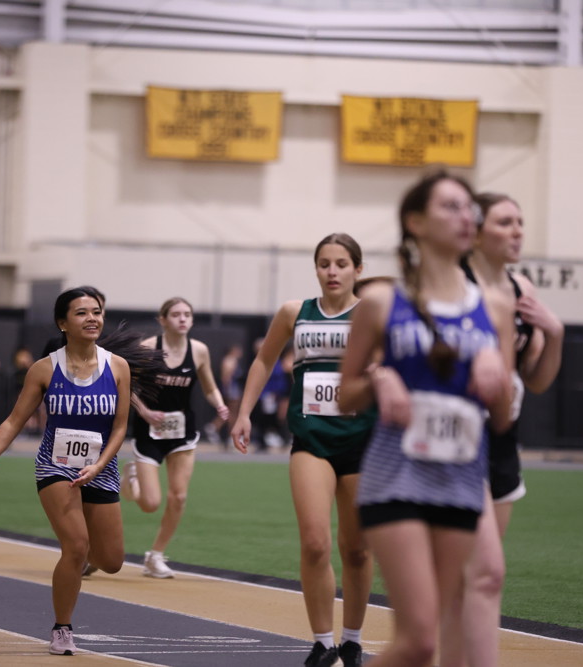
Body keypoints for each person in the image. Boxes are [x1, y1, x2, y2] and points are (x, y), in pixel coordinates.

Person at [337, 170, 515, 667]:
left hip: (460, 480)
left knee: (445, 626)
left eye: (468, 208)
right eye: (450, 207)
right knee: (417, 640)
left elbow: (502, 418)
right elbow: (346, 396)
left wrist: (496, 373)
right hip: (396, 477)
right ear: (415, 222)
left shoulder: (497, 309)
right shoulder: (381, 302)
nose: (465, 217)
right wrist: (379, 380)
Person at [0, 286, 132, 657]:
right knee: (76, 547)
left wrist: (99, 465)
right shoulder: (44, 369)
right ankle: (62, 628)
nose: (92, 318)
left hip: (101, 467)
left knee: (111, 562)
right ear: (63, 323)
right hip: (56, 466)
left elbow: (120, 427)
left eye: (96, 312)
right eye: (81, 313)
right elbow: (14, 421)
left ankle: (83, 557)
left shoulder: (118, 367)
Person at [231, 233, 375, 667]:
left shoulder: (373, 314)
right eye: (324, 263)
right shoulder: (295, 312)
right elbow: (263, 360)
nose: (332, 271)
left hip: (362, 442)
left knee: (357, 549)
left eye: (341, 264)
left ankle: (352, 641)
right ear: (316, 268)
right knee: (315, 543)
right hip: (312, 441)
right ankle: (322, 643)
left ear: (358, 269)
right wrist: (244, 413)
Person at [441, 191, 564, 667]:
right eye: (504, 222)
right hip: (455, 438)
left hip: (501, 437)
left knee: (481, 579)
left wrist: (555, 333)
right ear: (476, 231)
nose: (517, 231)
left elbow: (536, 379)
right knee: (480, 571)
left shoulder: (521, 288)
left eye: (520, 222)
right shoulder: (451, 284)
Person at [119, 297, 230, 579]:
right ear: (163, 320)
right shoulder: (148, 349)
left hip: (181, 431)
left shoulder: (199, 350)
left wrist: (219, 405)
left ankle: (155, 556)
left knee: (179, 496)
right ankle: (131, 479)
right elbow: (127, 386)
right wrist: (144, 412)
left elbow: (209, 387)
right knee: (150, 504)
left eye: (187, 314)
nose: (183, 319)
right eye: (176, 314)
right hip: (149, 431)